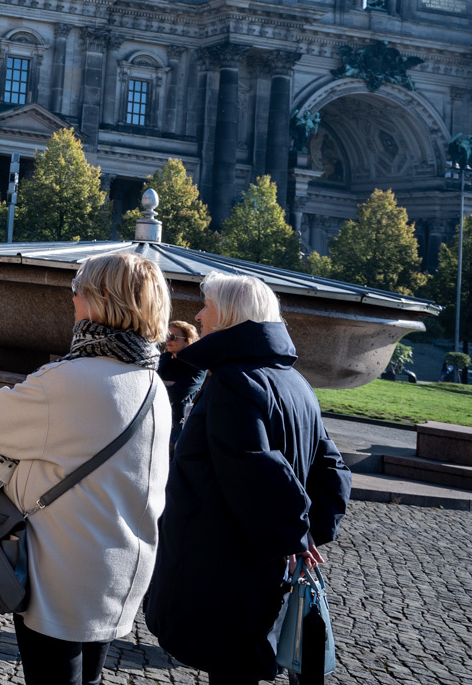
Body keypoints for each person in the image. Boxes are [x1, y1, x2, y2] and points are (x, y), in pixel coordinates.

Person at [0, 252, 174, 685]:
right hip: (120, 566)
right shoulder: (154, 383)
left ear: (101, 298)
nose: (73, 299)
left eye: (77, 289)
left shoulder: (69, 378)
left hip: (60, 566)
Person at [145, 273, 351, 685]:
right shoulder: (297, 382)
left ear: (230, 315)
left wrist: (295, 532)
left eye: (208, 306)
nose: (199, 315)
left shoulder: (233, 381)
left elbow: (254, 465)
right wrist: (307, 529)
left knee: (233, 667)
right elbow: (333, 469)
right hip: (263, 558)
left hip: (228, 564)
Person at [158, 319, 203, 421]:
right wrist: (171, 384)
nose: (168, 340)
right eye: (167, 336)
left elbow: (178, 394)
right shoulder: (163, 358)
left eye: (173, 337)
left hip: (177, 421)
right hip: (157, 414)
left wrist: (160, 383)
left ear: (188, 341)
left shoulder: (197, 364)